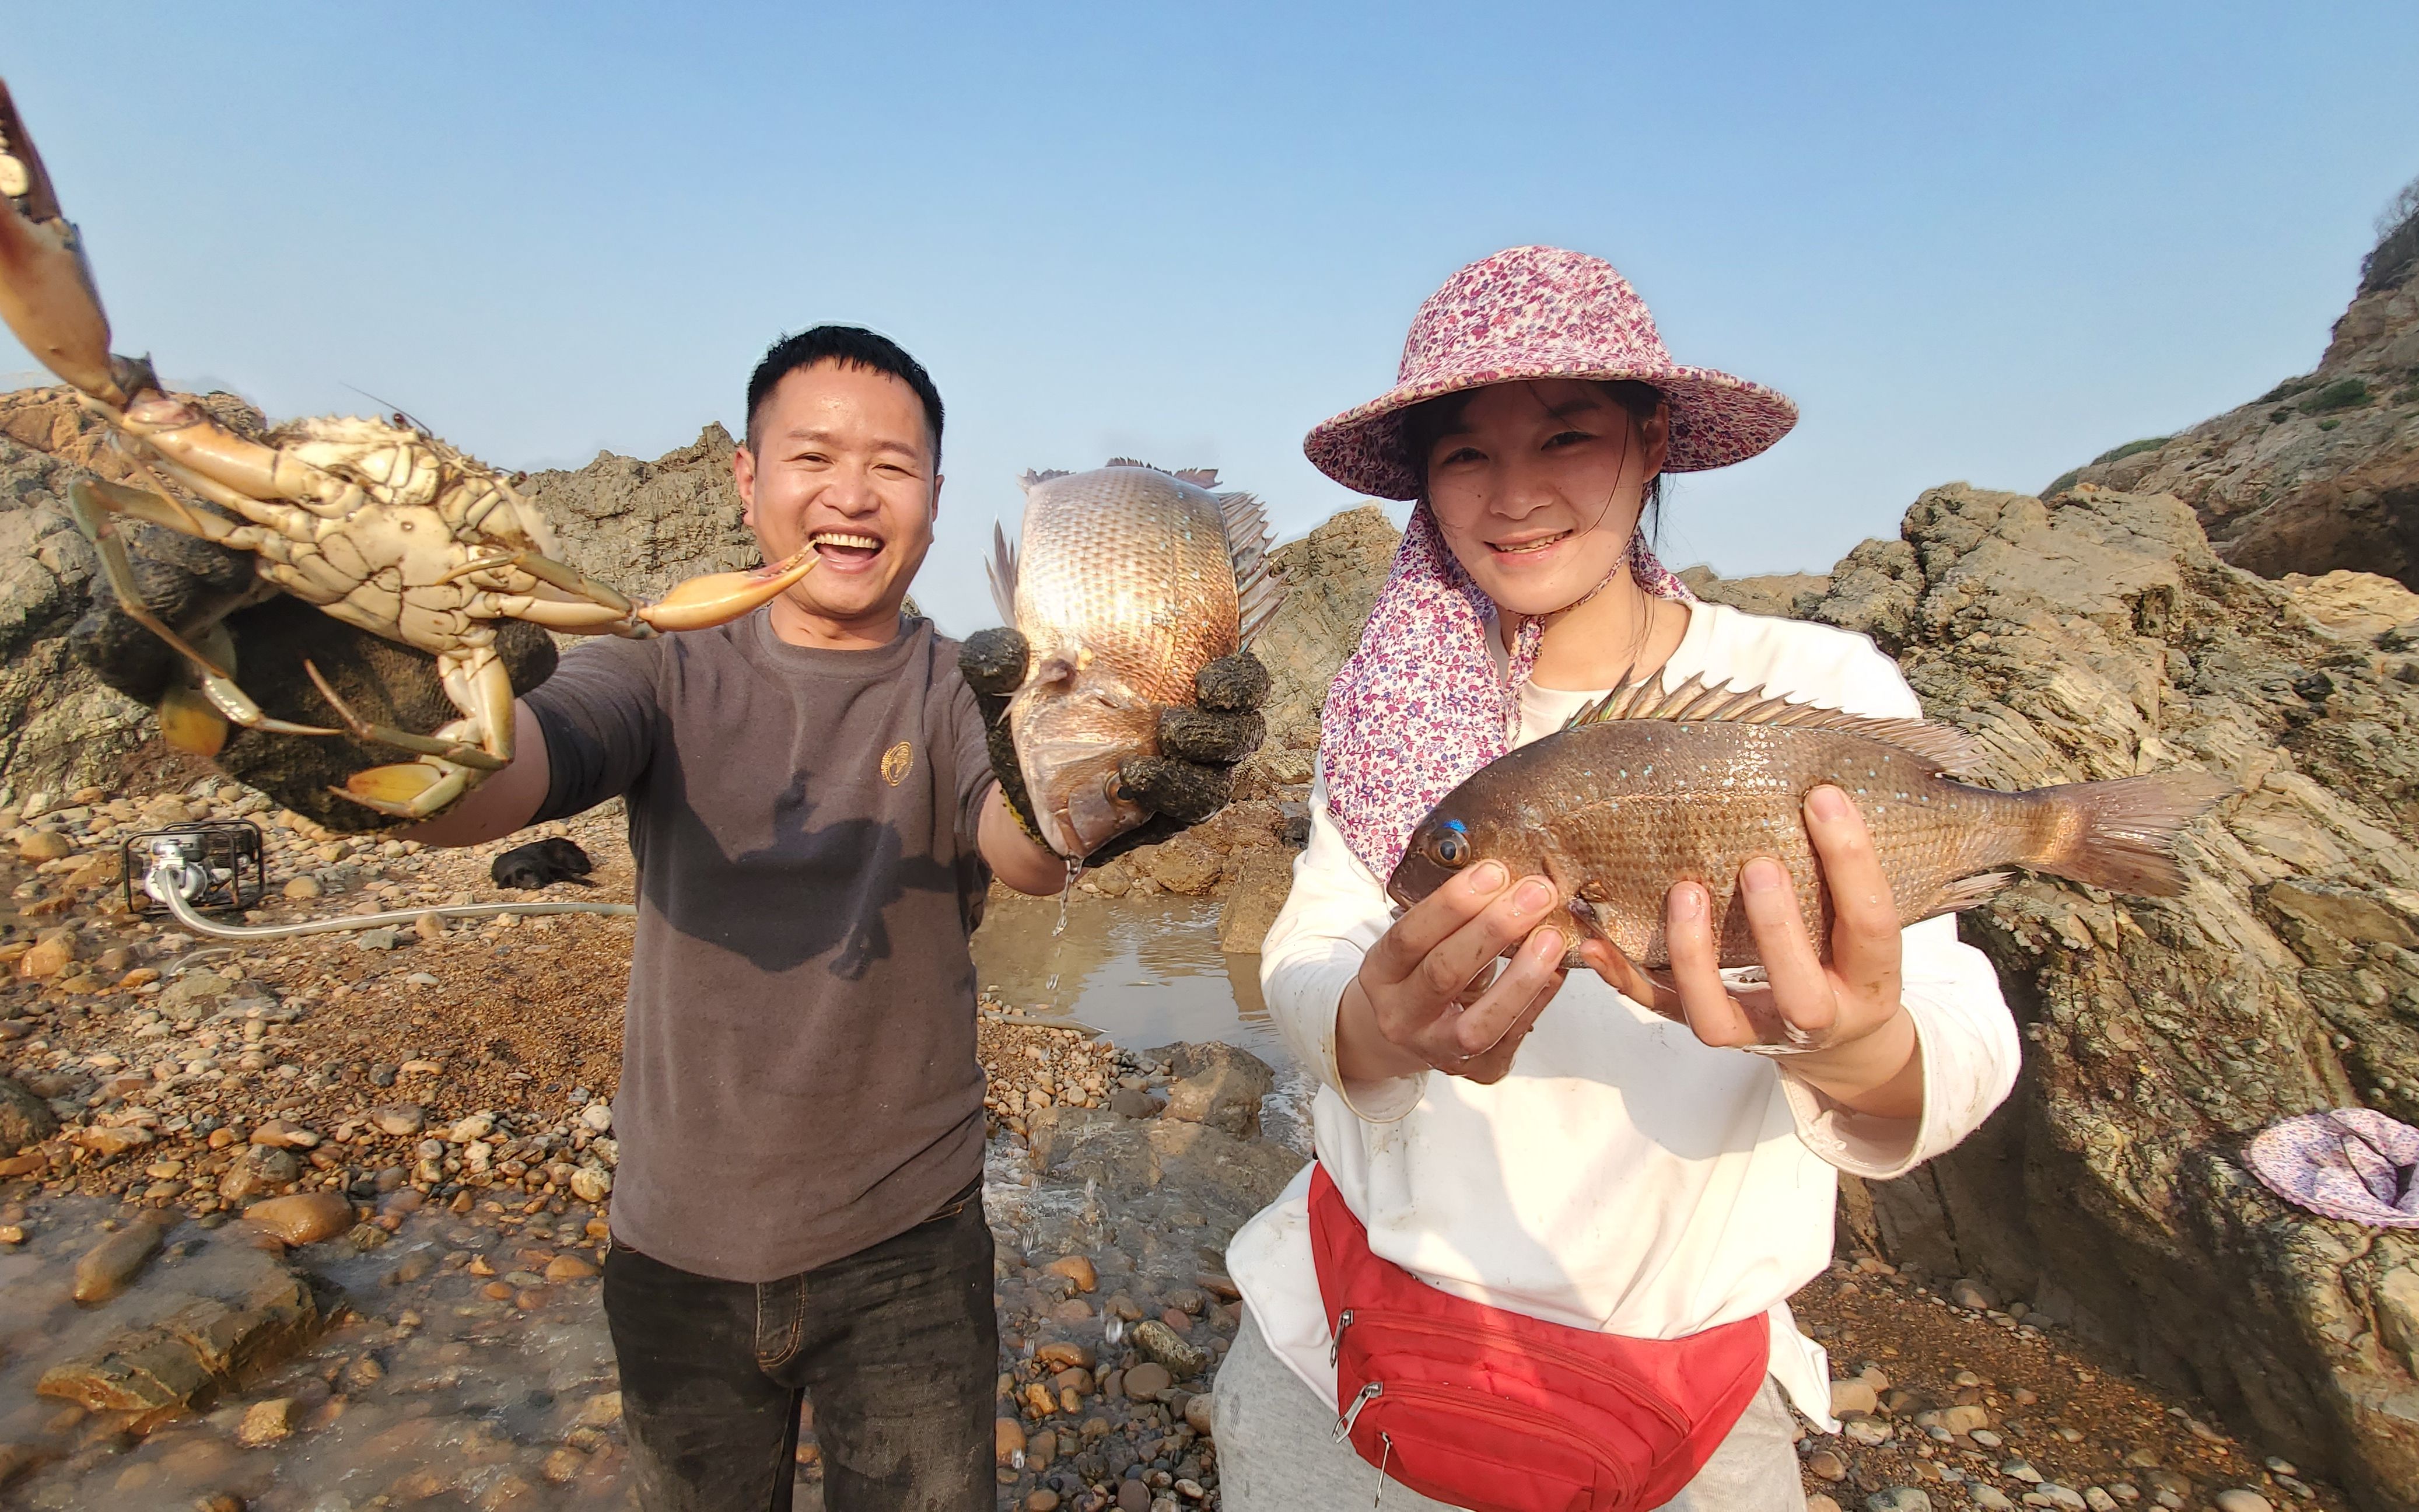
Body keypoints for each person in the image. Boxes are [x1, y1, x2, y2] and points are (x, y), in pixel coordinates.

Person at [68, 324, 1265, 1512]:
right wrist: (343, 722)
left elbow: (1028, 850)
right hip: (676, 1242)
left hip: (911, 1239)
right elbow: (502, 779)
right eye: (812, 458)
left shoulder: (966, 684)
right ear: (746, 479)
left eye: (892, 467)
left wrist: (1108, 803)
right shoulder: (660, 662)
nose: (852, 496)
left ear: (937, 502)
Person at [1213, 247, 2022, 1511]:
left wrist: (1853, 1045)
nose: (1514, 495)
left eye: (1568, 436)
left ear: (1653, 444)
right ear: (1425, 482)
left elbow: (1959, 1031)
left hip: (1687, 1402)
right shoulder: (1391, 718)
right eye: (1465, 453)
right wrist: (1374, 1024)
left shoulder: (1818, 687)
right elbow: (1308, 952)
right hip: (1345, 1349)